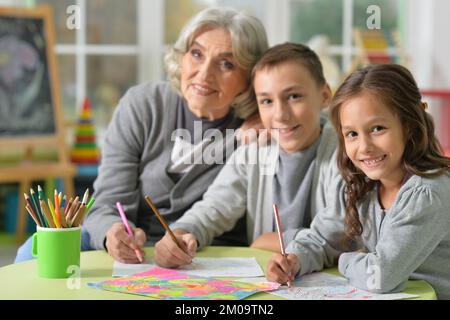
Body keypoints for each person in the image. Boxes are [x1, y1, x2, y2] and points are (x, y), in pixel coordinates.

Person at [14, 7, 269, 263]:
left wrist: (267, 115)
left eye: (227, 63)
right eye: (196, 54)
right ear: (181, 57)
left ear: (251, 78)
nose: (204, 74)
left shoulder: (261, 123)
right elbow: (107, 204)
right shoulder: (143, 105)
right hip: (136, 250)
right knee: (31, 252)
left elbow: (298, 82)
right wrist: (111, 233)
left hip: (206, 252)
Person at [266, 64, 450, 300]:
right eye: (352, 134)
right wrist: (294, 260)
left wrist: (345, 258)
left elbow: (380, 276)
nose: (364, 147)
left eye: (377, 129)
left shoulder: (427, 192)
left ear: (409, 126)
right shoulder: (357, 185)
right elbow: (323, 238)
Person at [154, 42, 344, 268]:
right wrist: (181, 233)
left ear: (324, 96)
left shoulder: (344, 152)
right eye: (267, 101)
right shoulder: (254, 151)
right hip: (275, 282)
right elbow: (214, 207)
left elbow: (339, 235)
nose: (280, 115)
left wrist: (270, 241)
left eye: (293, 96)